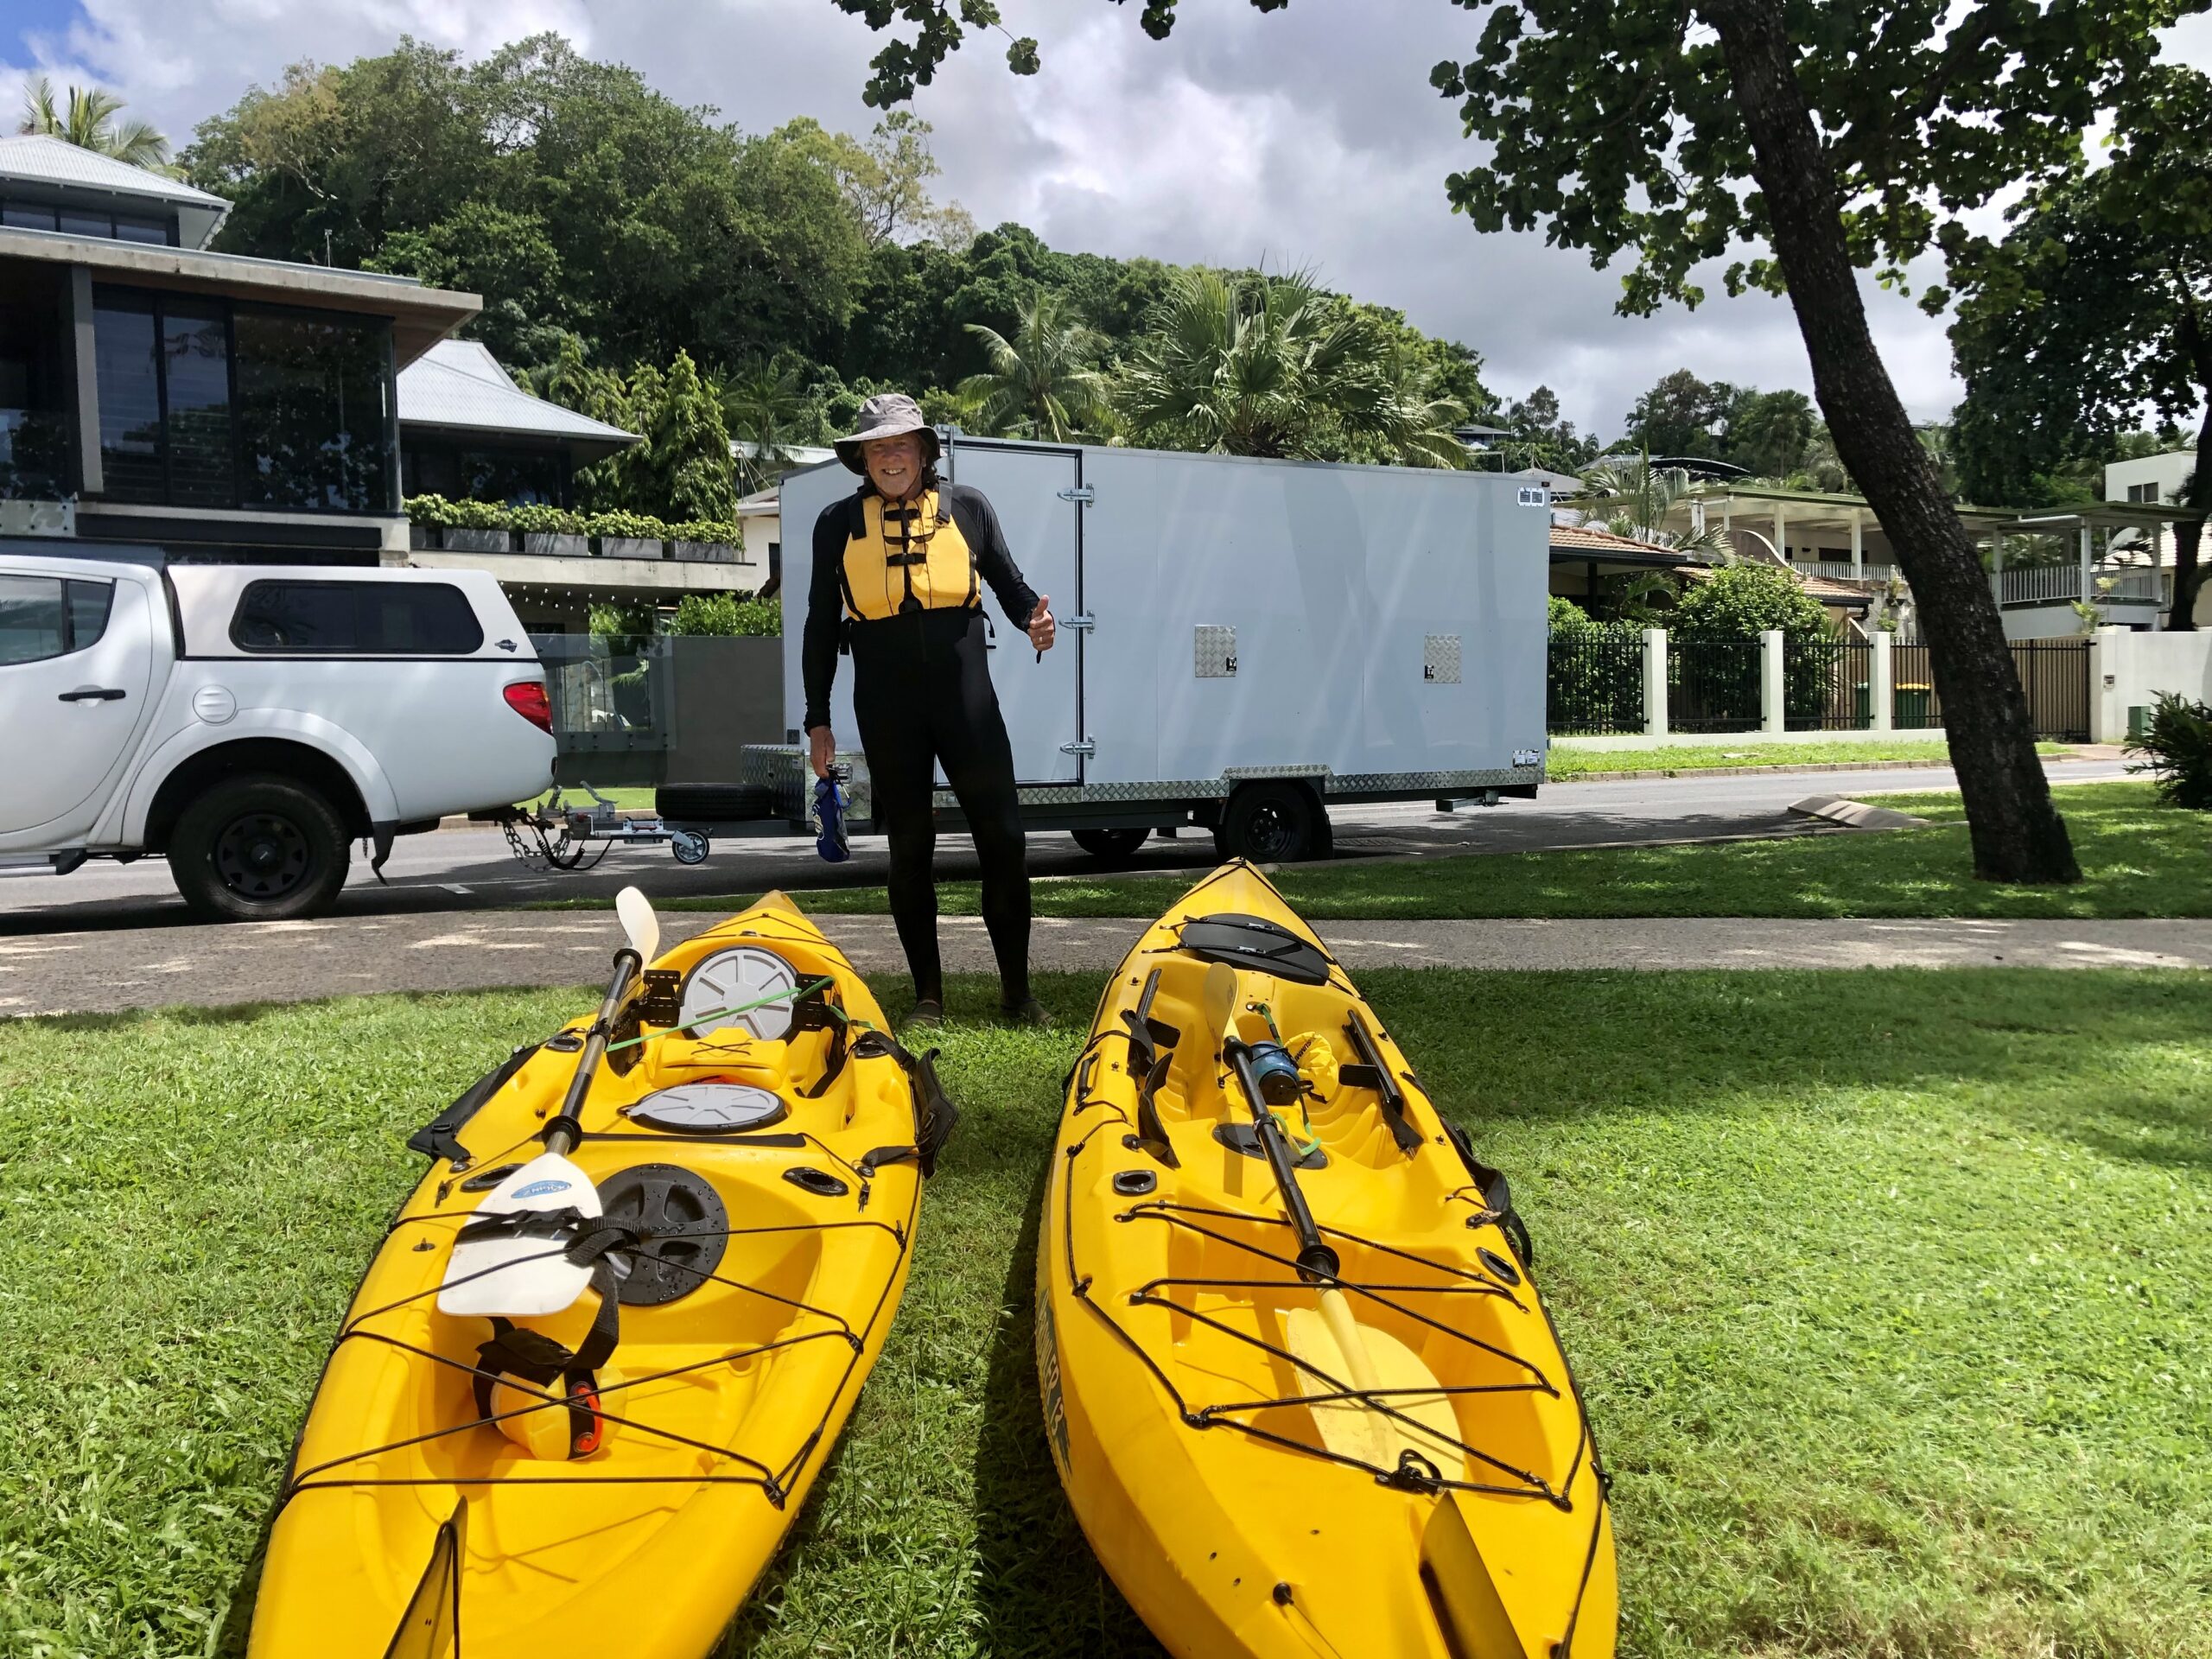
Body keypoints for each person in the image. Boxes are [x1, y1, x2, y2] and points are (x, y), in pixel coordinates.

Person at [801, 393, 1055, 1028]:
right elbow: (817, 623)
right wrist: (817, 718)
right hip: (887, 706)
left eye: (901, 444)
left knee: (1003, 839)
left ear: (923, 451)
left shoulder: (967, 508)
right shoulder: (836, 523)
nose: (890, 456)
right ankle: (928, 999)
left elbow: (1008, 581)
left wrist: (1033, 619)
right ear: (862, 457)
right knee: (910, 846)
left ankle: (1018, 996)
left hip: (965, 702)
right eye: (878, 446)